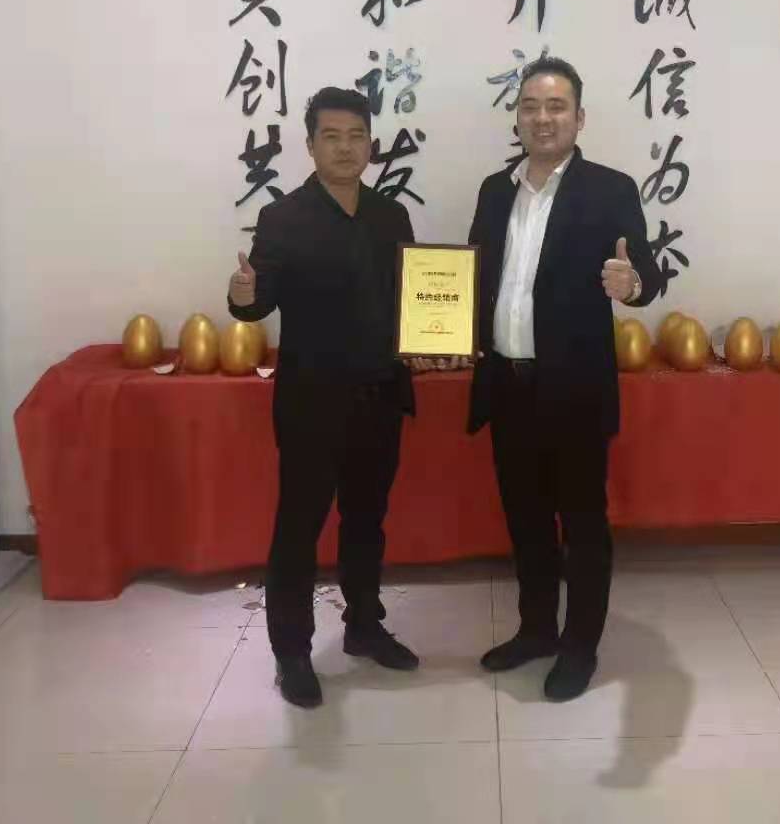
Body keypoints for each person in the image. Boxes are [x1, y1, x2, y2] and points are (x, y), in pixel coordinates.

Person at [466, 56, 658, 702]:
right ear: (517, 116)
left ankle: (579, 647)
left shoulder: (610, 189)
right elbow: (477, 280)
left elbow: (647, 273)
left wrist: (632, 283)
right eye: (530, 106)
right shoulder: (495, 191)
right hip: (508, 386)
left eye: (556, 107)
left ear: (579, 117)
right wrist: (444, 337)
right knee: (525, 521)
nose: (542, 118)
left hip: (574, 392)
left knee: (581, 526)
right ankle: (536, 630)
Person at [229, 86, 421, 709]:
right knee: (299, 526)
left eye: (356, 136)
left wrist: (435, 338)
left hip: (380, 395)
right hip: (312, 402)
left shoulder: (392, 216)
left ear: (371, 144)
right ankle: (292, 652)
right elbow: (257, 302)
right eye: (331, 137)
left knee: (367, 520)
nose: (345, 148)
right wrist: (242, 295)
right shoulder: (284, 218)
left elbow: (413, 301)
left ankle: (364, 625)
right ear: (310, 145)